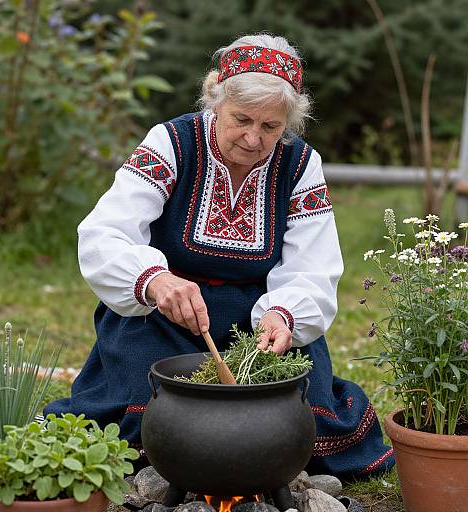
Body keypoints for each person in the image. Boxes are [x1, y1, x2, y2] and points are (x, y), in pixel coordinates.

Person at [45, 33, 394, 479]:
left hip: (257, 325)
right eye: (242, 120)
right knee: (142, 410)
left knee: (303, 416)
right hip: (163, 318)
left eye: (270, 127)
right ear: (216, 100)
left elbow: (314, 268)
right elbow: (104, 234)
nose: (253, 138)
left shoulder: (300, 164)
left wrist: (284, 316)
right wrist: (155, 280)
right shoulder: (172, 142)